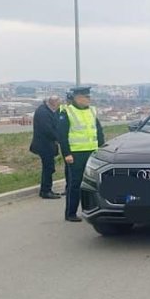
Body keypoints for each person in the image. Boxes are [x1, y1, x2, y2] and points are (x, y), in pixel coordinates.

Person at [57, 86, 105, 222]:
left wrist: (101, 148)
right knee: (76, 184)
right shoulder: (67, 112)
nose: (89, 99)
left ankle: (92, 210)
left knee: (93, 183)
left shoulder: (92, 111)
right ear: (77, 98)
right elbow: (62, 135)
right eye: (86, 97)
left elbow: (99, 131)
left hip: (93, 152)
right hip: (76, 154)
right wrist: (67, 154)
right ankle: (70, 213)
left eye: (89, 96)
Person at [29, 95, 62, 199]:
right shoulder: (43, 112)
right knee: (48, 168)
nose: (58, 106)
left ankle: (48, 189)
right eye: (58, 104)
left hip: (48, 144)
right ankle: (45, 191)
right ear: (53, 102)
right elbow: (47, 130)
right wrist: (60, 138)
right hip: (44, 145)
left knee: (49, 167)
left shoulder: (47, 110)